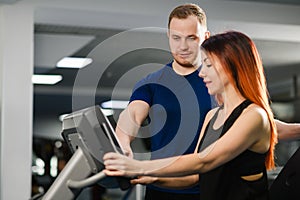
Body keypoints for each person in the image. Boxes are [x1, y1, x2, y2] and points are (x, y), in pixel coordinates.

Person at [114, 3, 300, 199]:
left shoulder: (222, 85)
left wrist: (141, 167)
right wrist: (124, 146)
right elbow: (133, 115)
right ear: (168, 37)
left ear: (205, 37)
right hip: (166, 185)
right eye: (176, 38)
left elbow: (255, 125)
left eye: (191, 38)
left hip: (207, 189)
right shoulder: (154, 83)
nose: (183, 46)